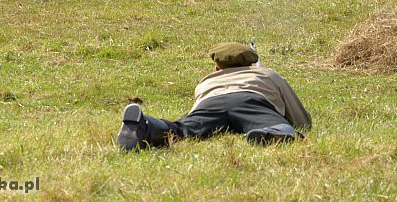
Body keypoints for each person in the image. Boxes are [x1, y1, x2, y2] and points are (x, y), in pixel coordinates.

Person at [117, 42, 312, 151]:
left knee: (181, 129)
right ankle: (274, 133)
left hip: (211, 103)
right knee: (273, 123)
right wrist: (297, 124)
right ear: (252, 64)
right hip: (251, 100)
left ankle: (147, 126)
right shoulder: (267, 74)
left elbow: (197, 110)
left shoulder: (206, 81)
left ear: (217, 68)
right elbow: (300, 119)